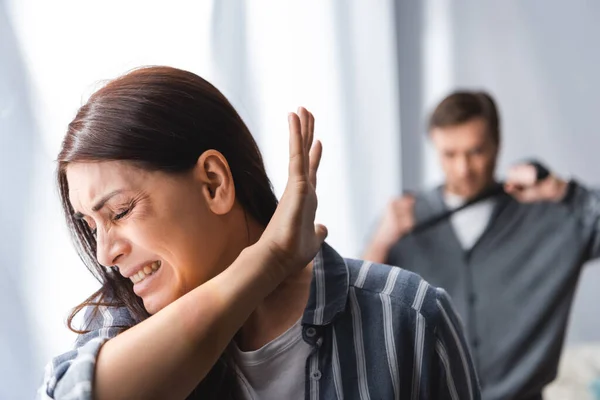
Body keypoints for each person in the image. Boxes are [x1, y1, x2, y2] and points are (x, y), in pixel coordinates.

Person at [37, 67, 480, 400]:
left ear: (214, 183)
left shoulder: (408, 319)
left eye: (121, 210)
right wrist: (264, 262)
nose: (105, 252)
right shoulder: (118, 326)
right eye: (89, 226)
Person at [364, 90, 600, 400]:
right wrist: (381, 241)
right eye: (449, 154)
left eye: (476, 151)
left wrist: (563, 192)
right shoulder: (403, 221)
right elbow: (360, 306)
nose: (463, 168)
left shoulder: (550, 217)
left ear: (497, 145)